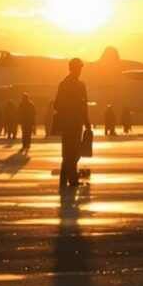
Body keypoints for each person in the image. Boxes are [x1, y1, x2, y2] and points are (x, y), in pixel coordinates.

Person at [54, 59, 91, 196]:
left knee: (72, 152)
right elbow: (57, 104)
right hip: (70, 124)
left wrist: (86, 121)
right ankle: (70, 178)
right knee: (71, 152)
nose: (80, 72)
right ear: (72, 69)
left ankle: (67, 178)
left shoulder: (74, 85)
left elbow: (83, 105)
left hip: (75, 124)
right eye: (78, 69)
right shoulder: (66, 85)